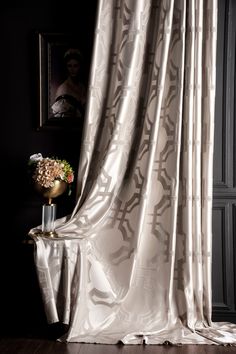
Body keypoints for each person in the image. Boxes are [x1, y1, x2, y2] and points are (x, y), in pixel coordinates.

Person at [51, 48, 87, 118]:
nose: (72, 69)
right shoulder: (63, 89)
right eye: (69, 66)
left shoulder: (82, 86)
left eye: (75, 66)